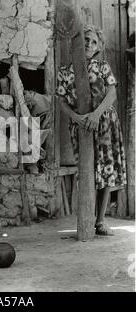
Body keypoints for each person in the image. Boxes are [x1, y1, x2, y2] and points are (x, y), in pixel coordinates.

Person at [56, 25, 127, 236]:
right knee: (86, 169)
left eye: (94, 42)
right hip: (80, 125)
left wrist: (96, 115)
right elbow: (61, 101)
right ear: (77, 43)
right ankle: (86, 218)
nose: (89, 44)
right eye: (86, 40)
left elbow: (112, 94)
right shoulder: (64, 72)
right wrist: (77, 117)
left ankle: (100, 221)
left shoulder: (103, 67)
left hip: (104, 122)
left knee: (105, 169)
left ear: (98, 48)